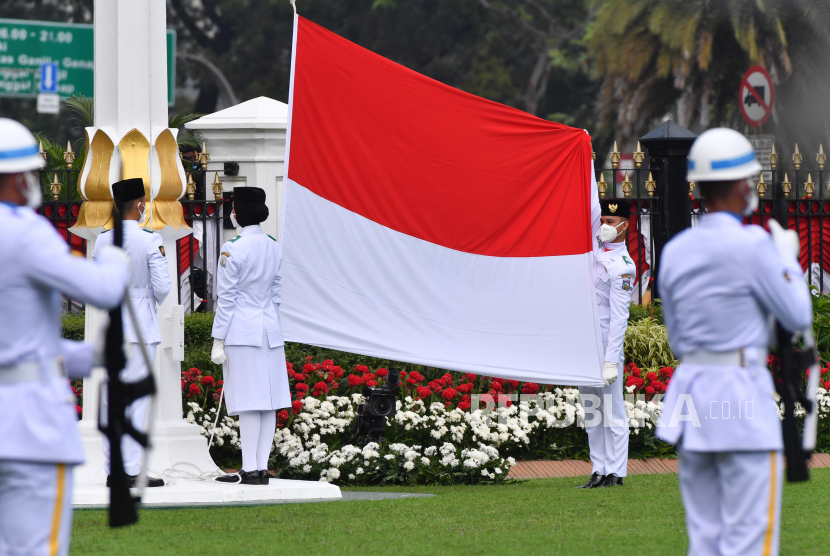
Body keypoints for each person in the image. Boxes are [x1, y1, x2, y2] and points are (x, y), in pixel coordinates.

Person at [657, 128, 812, 556]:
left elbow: (675, 336)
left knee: (705, 540)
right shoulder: (755, 246)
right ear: (744, 185)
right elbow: (798, 315)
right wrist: (786, 257)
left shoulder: (677, 250)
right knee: (750, 541)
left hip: (693, 398)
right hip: (741, 400)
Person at [0, 118, 130, 556]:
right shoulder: (23, 231)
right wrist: (113, 255)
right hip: (26, 426)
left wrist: (85, 357)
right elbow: (103, 290)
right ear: (19, 178)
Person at [210, 187, 291, 485]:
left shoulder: (233, 247)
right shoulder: (273, 245)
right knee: (268, 401)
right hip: (270, 331)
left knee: (248, 402)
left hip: (242, 332)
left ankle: (249, 468)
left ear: (239, 213)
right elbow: (277, 294)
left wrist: (218, 338)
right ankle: (260, 469)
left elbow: (227, 298)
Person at [94, 178, 170, 488]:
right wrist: (145, 296)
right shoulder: (150, 240)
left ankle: (114, 469)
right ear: (139, 205)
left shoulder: (102, 240)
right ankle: (132, 470)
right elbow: (164, 288)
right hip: (139, 327)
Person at [577, 198, 636, 488]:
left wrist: (611, 359)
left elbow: (619, 318)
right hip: (587, 343)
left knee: (612, 410)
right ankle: (598, 468)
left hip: (605, 345)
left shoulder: (623, 266)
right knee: (592, 410)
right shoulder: (594, 250)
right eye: (603, 221)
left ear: (625, 225)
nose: (604, 226)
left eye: (611, 223)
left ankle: (616, 471)